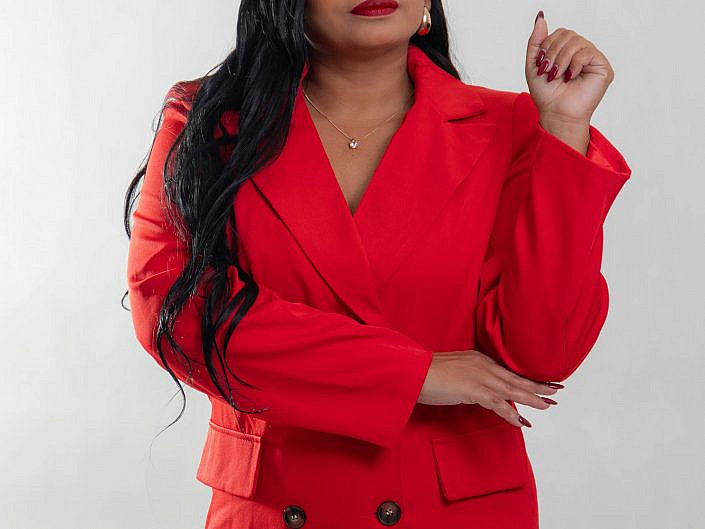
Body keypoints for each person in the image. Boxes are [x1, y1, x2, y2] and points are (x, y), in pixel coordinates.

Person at [124, 2, 632, 528]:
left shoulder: (510, 126)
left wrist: (565, 128)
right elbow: (175, 311)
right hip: (275, 506)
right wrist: (413, 374)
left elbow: (541, 353)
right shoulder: (208, 122)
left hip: (457, 512)